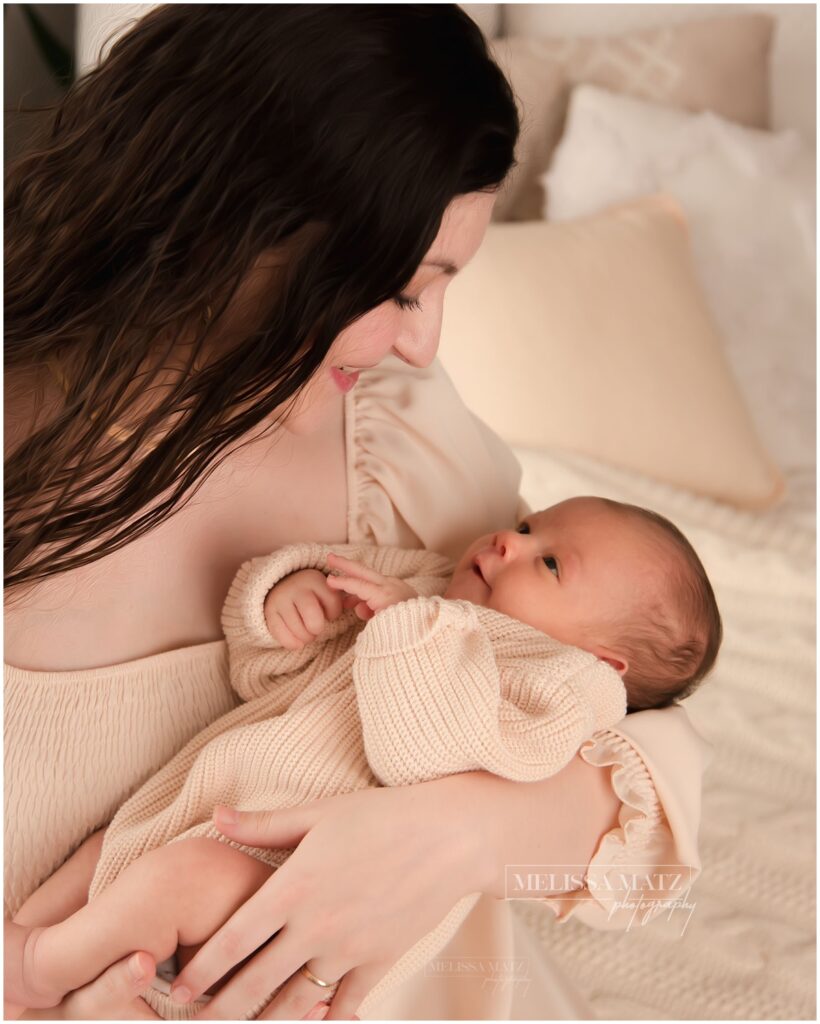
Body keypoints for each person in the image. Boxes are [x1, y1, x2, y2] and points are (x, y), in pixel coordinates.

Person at [4, 6, 709, 1021]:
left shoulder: (394, 436)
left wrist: (453, 837)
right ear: (242, 226)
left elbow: (650, 743)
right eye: (406, 289)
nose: (423, 345)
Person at [6, 495, 722, 1018]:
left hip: (290, 889)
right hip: (197, 816)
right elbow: (264, 672)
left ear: (603, 659)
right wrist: (285, 602)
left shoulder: (561, 690)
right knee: (108, 853)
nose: (509, 541)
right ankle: (29, 943)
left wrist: (410, 625)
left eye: (551, 562)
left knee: (179, 878)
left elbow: (421, 753)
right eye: (531, 526)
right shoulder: (428, 582)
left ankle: (33, 973)